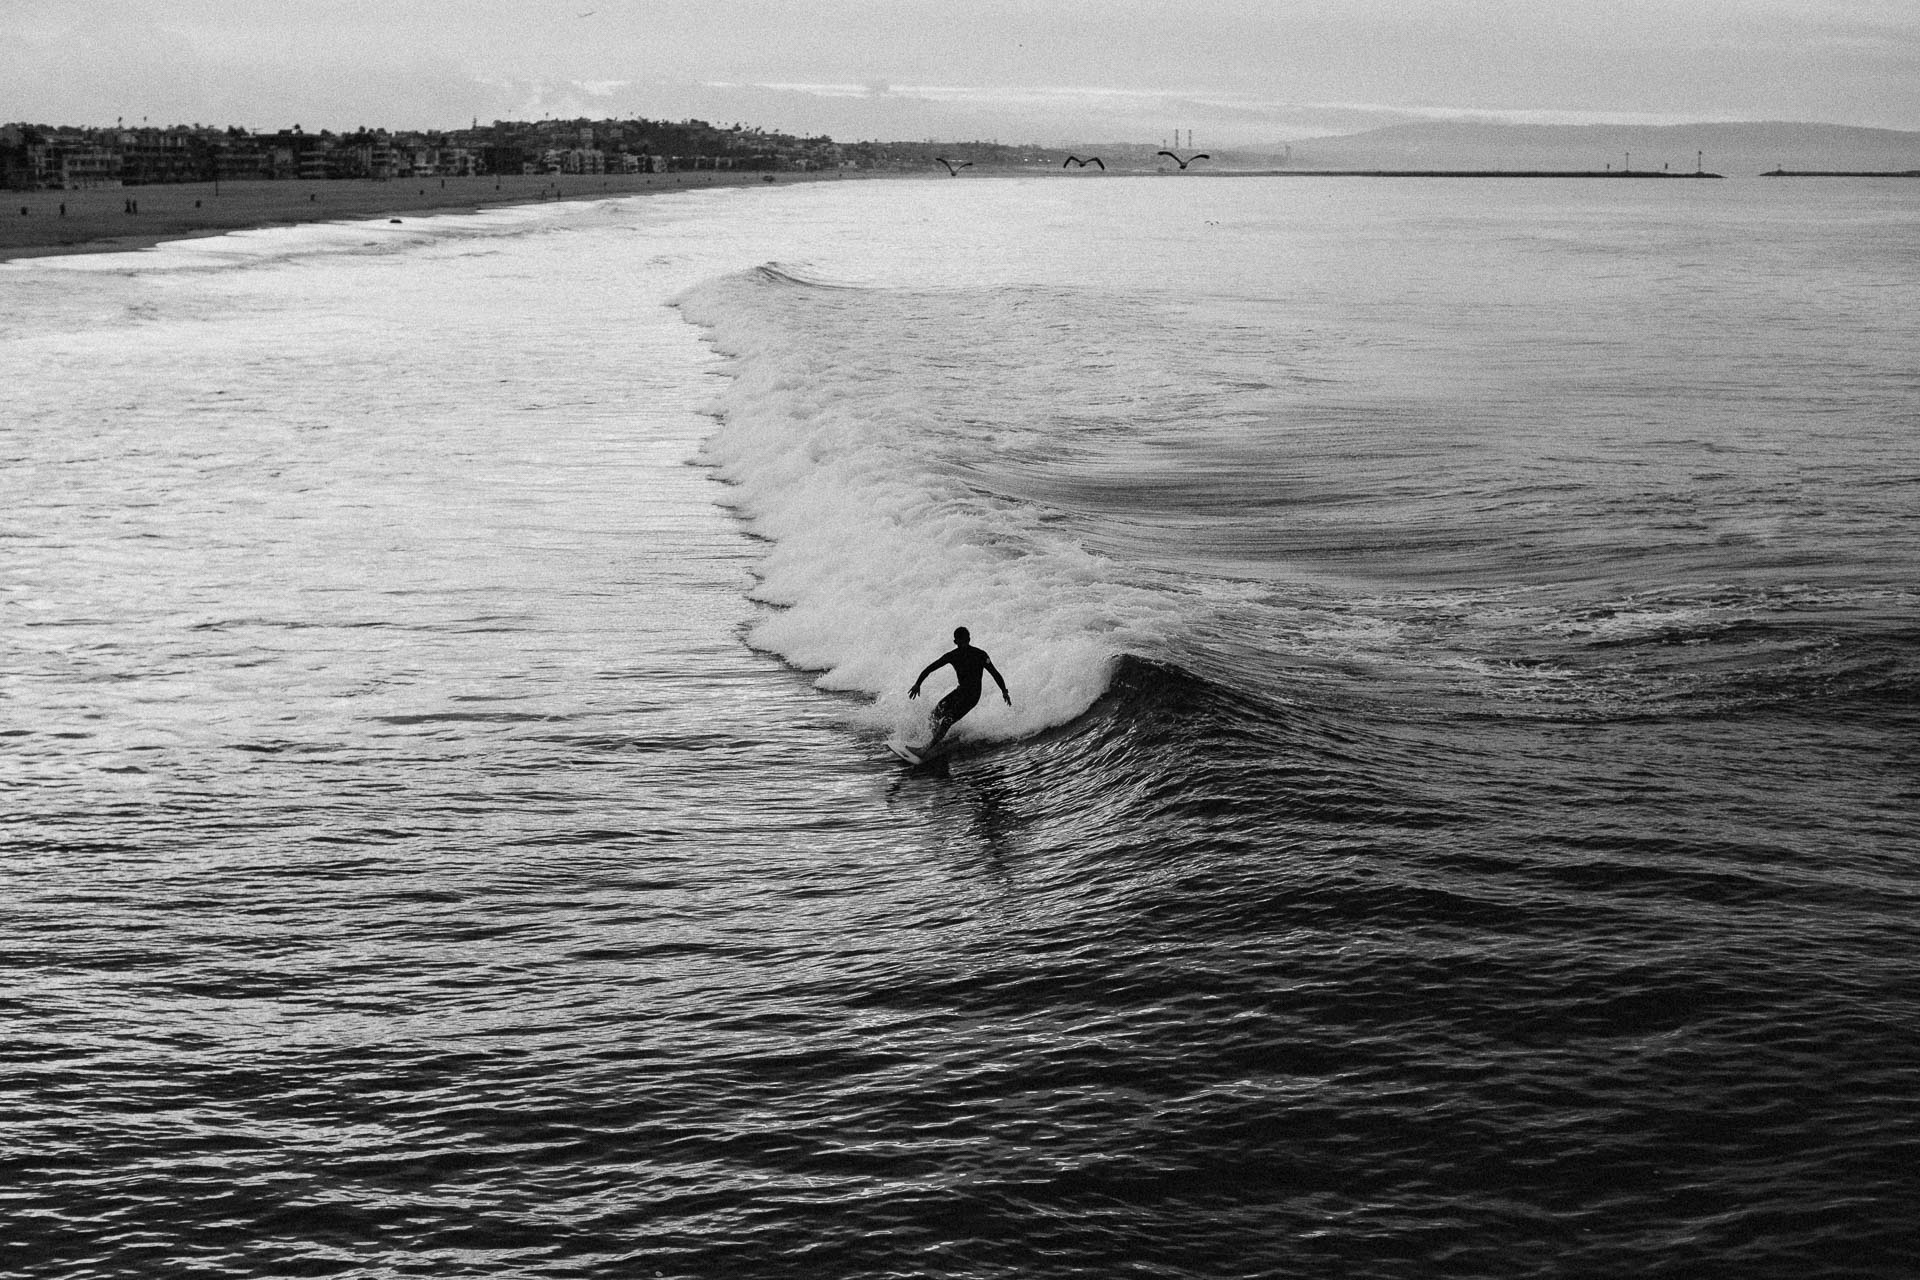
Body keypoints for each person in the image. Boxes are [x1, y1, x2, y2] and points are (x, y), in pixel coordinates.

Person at [908, 626, 1011, 749]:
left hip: (973, 696)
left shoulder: (980, 655)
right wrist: (918, 683)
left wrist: (1004, 691)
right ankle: (935, 741)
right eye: (960, 642)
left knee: (948, 719)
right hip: (960, 691)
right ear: (955, 642)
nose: (963, 644)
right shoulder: (952, 656)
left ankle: (928, 748)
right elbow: (931, 668)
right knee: (934, 715)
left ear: (969, 639)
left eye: (965, 641)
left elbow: (995, 673)